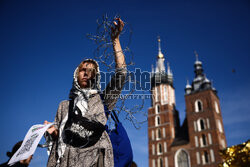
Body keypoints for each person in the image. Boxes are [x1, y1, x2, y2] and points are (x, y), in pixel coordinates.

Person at [44, 18, 127, 167]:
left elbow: (122, 74)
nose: (86, 73)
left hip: (94, 161)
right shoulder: (64, 106)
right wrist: (51, 132)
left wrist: (115, 40)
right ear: (76, 74)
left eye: (91, 71)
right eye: (83, 70)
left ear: (96, 76)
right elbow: (60, 137)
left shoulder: (104, 100)